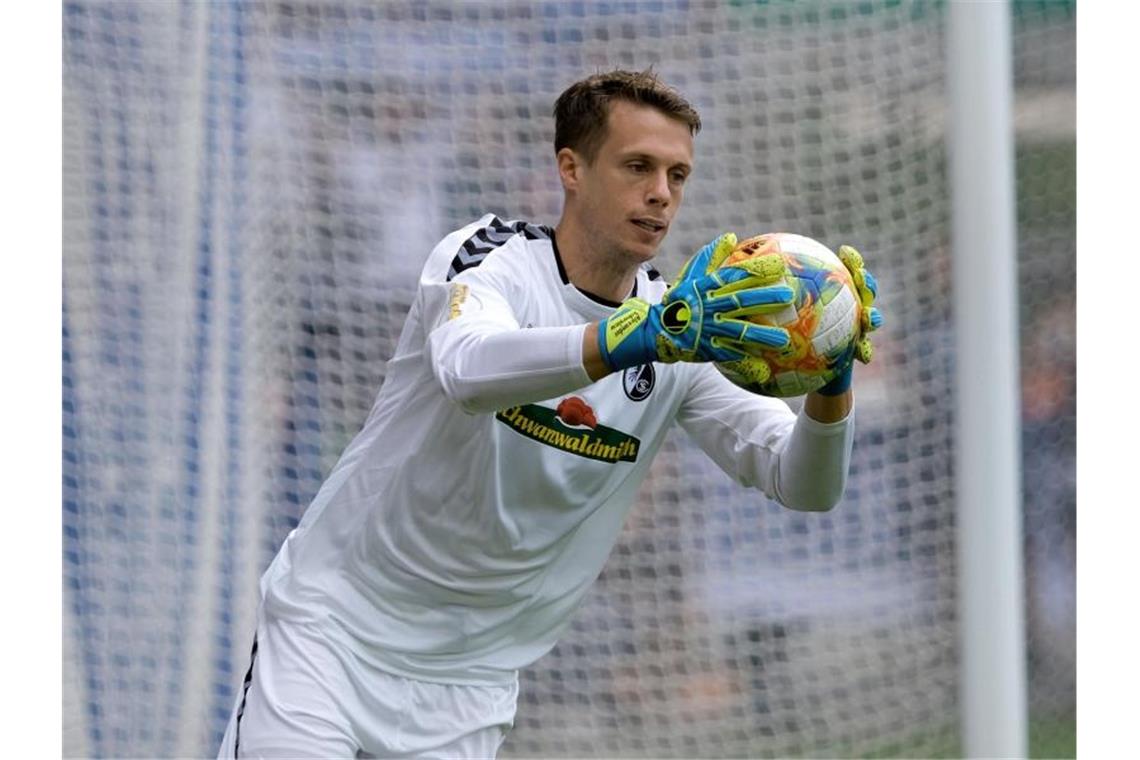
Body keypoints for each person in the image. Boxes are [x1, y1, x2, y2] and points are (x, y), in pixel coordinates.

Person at [218, 68, 881, 759]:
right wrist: (635, 338)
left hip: (467, 686)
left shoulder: (680, 336)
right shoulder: (490, 260)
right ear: (571, 168)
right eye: (638, 166)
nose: (660, 193)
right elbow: (468, 371)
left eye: (678, 176)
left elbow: (805, 484)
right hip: (331, 638)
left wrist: (829, 380)